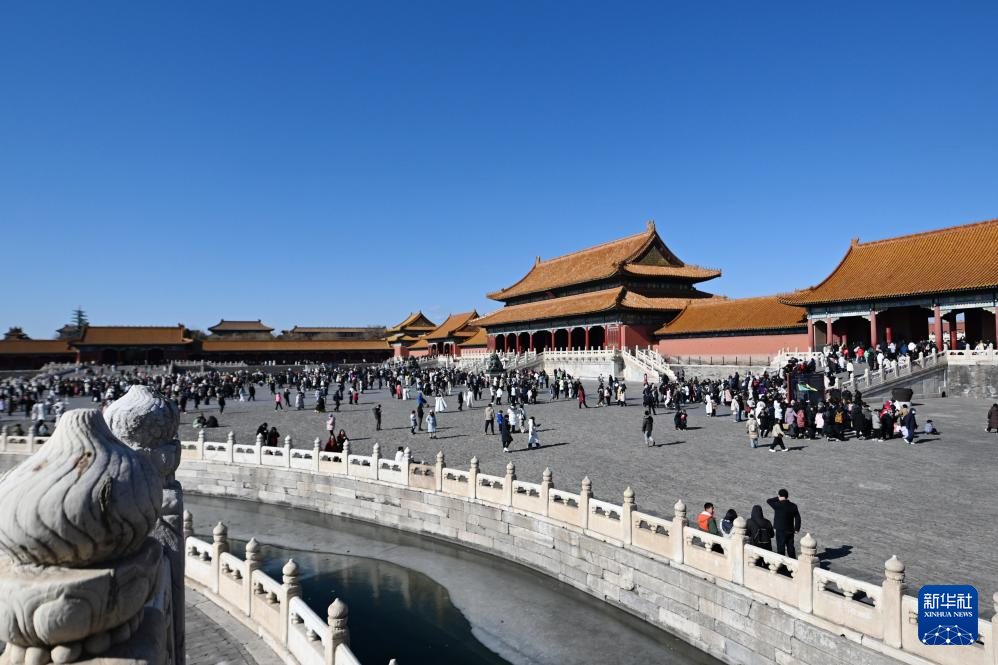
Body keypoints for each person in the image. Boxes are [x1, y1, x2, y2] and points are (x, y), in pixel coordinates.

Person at [766, 489, 802, 559]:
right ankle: (793, 561)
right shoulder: (793, 506)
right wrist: (797, 528)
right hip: (790, 530)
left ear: (779, 496)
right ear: (787, 496)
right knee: (790, 547)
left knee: (781, 548)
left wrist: (778, 497)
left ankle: (781, 563)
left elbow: (769, 501)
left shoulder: (777, 505)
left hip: (780, 531)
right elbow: (798, 517)